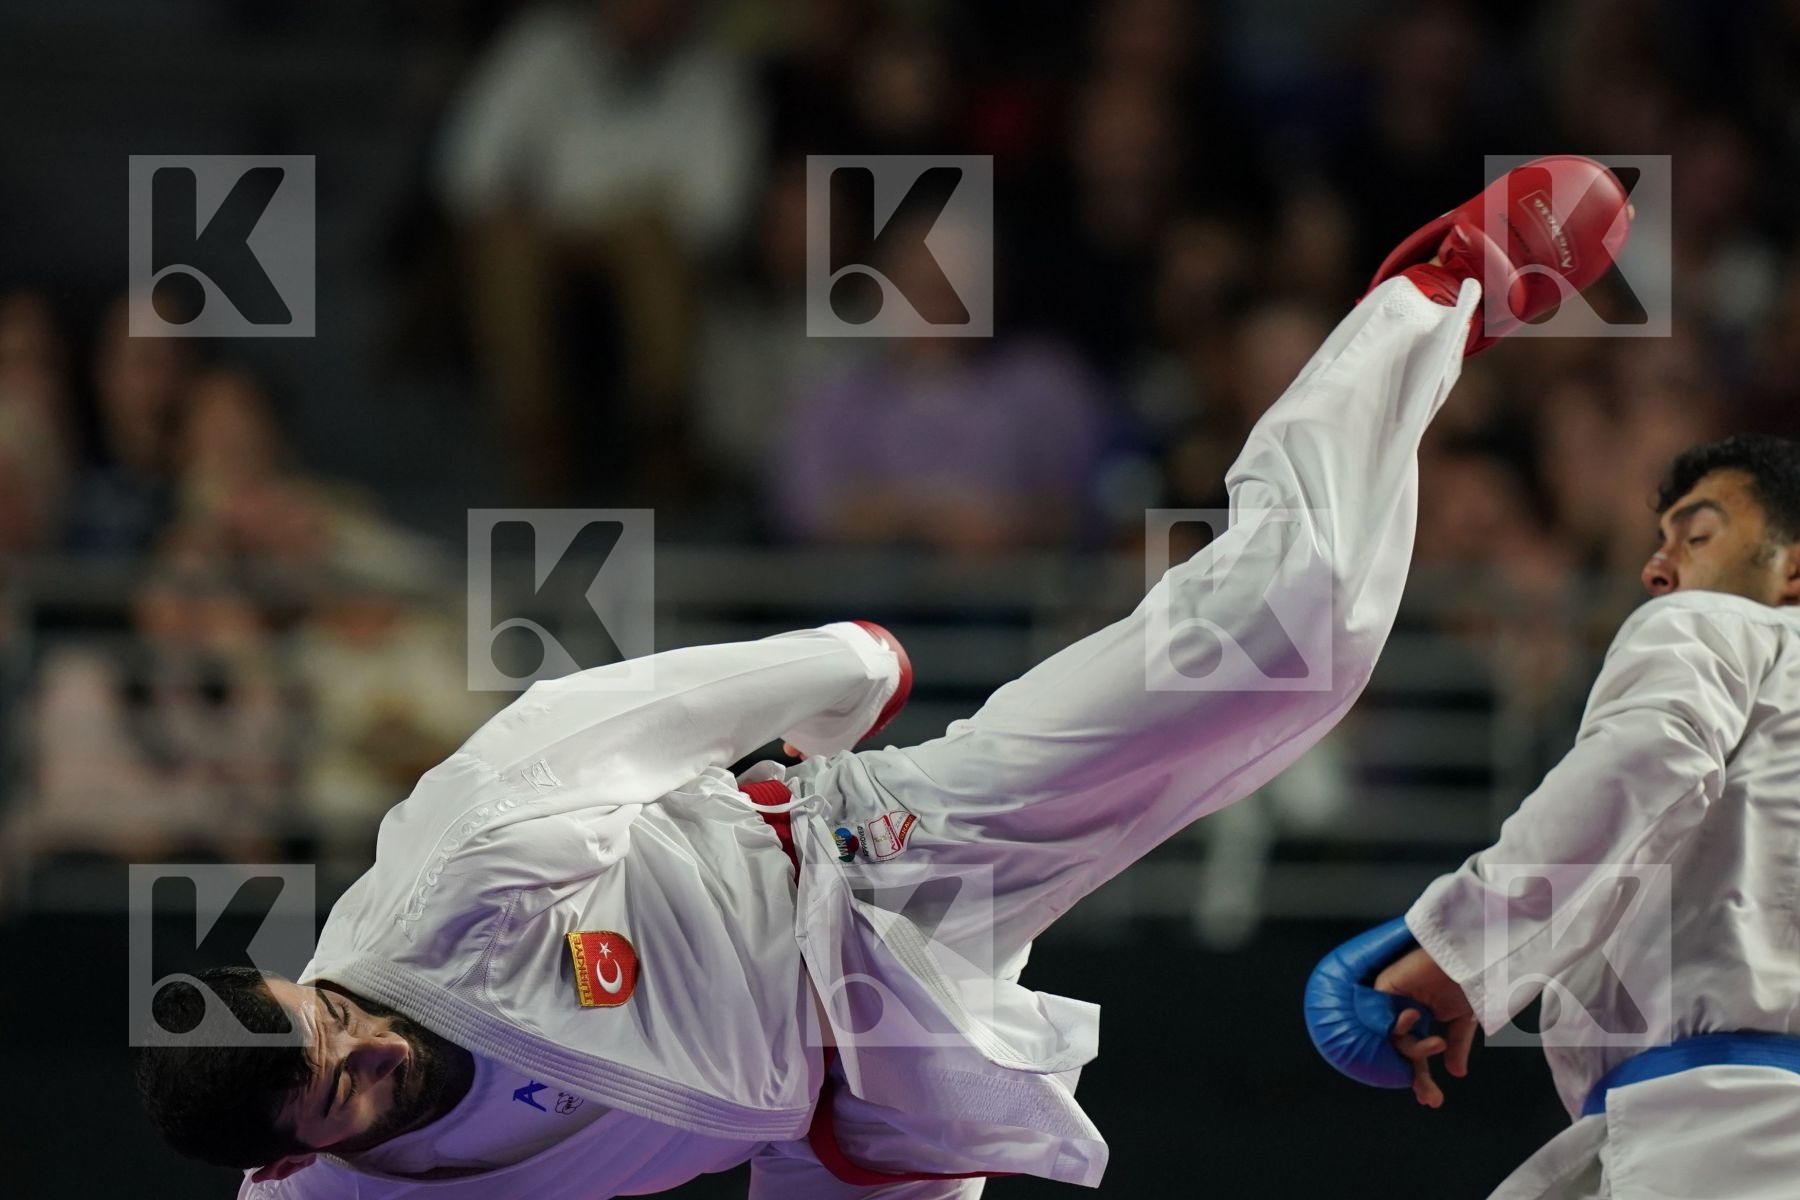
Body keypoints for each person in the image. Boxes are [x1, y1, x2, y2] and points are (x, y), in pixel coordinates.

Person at [131, 157, 1629, 1198]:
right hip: (852, 1118)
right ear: (293, 1154)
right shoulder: (333, 1195)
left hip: (862, 871)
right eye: (345, 1089)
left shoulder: (451, 886)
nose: (371, 1049)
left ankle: (1436, 291)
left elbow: (586, 720)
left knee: (1294, 644)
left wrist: (843, 664)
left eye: (333, 1021)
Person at [1315, 433, 1800, 1200]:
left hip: (1726, 1131)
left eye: (1697, 535)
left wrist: (1463, 950)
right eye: (1658, 541)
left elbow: (1650, 760)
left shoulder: (1721, 623)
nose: (1656, 567)